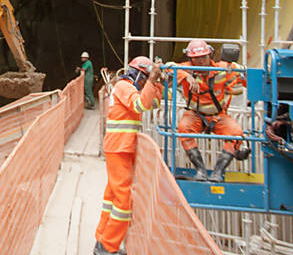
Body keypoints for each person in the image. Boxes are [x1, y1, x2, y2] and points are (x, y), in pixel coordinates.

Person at [94, 56, 162, 255]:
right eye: (145, 78)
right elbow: (140, 105)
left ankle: (101, 240)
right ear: (138, 73)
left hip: (122, 148)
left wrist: (155, 83)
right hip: (119, 148)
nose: (144, 82)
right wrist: (151, 82)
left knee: (112, 197)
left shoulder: (131, 87)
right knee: (123, 201)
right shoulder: (124, 87)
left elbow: (154, 103)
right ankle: (108, 246)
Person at [176, 40, 248, 182]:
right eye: (197, 58)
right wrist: (187, 77)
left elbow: (245, 74)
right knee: (183, 129)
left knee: (236, 133)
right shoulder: (186, 69)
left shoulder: (223, 69)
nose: (201, 61)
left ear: (210, 55)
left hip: (218, 116)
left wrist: (245, 76)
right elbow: (167, 68)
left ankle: (217, 173)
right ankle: (201, 171)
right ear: (191, 59)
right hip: (195, 115)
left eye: (204, 57)